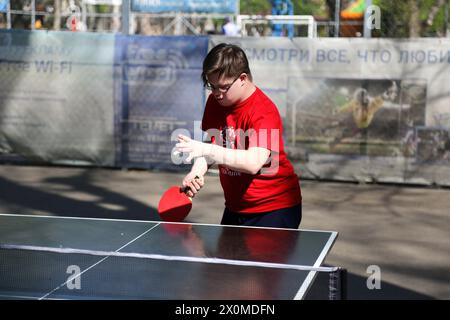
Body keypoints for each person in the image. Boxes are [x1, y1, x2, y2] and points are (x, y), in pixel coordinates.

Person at [175, 43, 302, 229]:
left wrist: (206, 149)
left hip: (274, 208)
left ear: (242, 78)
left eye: (223, 87)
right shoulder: (214, 102)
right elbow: (213, 143)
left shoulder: (264, 111)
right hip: (235, 207)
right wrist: (197, 171)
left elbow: (253, 162)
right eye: (212, 86)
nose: (217, 93)